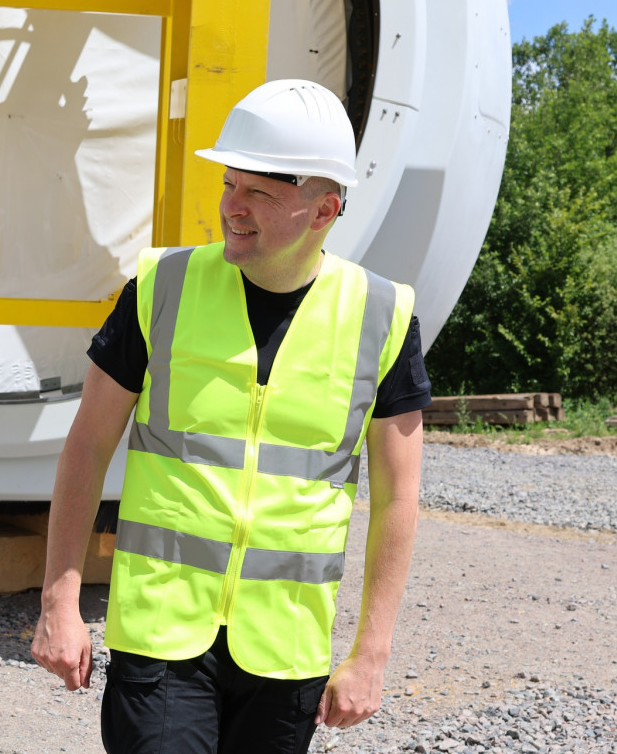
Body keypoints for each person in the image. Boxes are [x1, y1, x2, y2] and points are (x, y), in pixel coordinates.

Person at [31, 79, 430, 754]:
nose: (231, 207)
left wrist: (372, 653)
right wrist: (58, 602)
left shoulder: (382, 317)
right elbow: (88, 445)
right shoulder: (161, 287)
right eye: (229, 184)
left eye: (259, 194)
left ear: (324, 209)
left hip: (286, 649)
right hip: (162, 633)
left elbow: (399, 496)